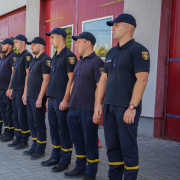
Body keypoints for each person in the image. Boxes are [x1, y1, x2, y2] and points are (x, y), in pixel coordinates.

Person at [93, 13, 150, 180]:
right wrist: (98, 104)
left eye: (117, 25)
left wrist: (132, 107)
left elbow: (142, 79)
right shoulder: (111, 52)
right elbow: (103, 79)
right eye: (113, 26)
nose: (113, 28)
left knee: (128, 147)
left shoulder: (138, 50)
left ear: (128, 27)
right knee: (112, 147)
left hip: (126, 107)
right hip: (109, 106)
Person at [64, 32, 104, 180]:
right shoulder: (79, 62)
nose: (76, 44)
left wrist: (97, 109)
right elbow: (73, 83)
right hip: (74, 108)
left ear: (88, 43)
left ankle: (91, 171)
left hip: (88, 109)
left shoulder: (98, 62)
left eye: (79, 42)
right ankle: (80, 167)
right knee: (77, 140)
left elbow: (100, 86)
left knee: (90, 141)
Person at [42, 27, 76, 172]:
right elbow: (53, 79)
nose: (51, 40)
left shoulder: (69, 56)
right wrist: (48, 97)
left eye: (53, 37)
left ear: (61, 37)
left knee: (64, 130)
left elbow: (71, 80)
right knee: (54, 129)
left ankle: (65, 160)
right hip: (52, 98)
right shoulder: (55, 56)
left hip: (62, 100)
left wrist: (66, 99)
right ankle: (55, 156)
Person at [23, 37, 50, 160]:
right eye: (31, 45)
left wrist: (40, 98)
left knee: (39, 123)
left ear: (41, 46)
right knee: (31, 122)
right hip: (30, 96)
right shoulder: (34, 60)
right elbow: (28, 78)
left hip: (38, 98)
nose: (31, 47)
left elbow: (46, 80)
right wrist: (25, 94)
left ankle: (40, 149)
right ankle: (34, 145)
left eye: (34, 45)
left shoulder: (46, 60)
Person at [8, 34, 33, 150]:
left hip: (21, 90)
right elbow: (14, 75)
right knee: (15, 115)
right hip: (15, 90)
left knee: (22, 116)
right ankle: (17, 137)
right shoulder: (18, 56)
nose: (15, 44)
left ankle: (24, 140)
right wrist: (11, 88)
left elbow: (28, 74)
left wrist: (25, 92)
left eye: (16, 42)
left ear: (23, 43)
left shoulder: (27, 56)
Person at [0, 38, 17, 142]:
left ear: (10, 46)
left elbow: (13, 73)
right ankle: (6, 131)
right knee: (3, 111)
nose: (1, 46)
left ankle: (10, 134)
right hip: (1, 89)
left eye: (3, 45)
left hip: (7, 90)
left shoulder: (13, 56)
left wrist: (10, 88)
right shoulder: (4, 57)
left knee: (9, 112)